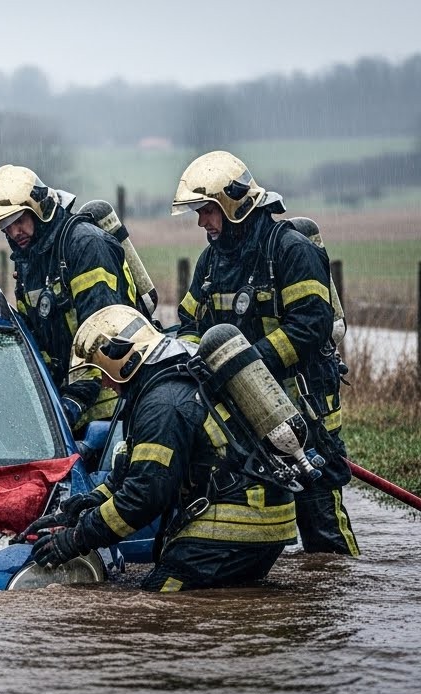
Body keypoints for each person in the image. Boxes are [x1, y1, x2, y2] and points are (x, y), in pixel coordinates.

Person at [24, 305, 298, 591]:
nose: (104, 382)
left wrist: (76, 540)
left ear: (124, 359)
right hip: (262, 519)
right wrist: (82, 505)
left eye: (103, 371)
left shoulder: (162, 404)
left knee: (159, 602)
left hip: (235, 526)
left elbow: (144, 496)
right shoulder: (169, 372)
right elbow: (135, 471)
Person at [170, 150, 358, 557]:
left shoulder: (290, 250)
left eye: (206, 210)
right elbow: (187, 322)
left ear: (233, 205)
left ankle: (339, 590)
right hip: (241, 414)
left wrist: (245, 364)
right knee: (248, 517)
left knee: (321, 524)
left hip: (302, 412)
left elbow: (310, 325)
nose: (202, 221)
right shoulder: (211, 261)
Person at [0, 164, 144, 431]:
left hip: (112, 407)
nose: (13, 232)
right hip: (65, 401)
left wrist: (74, 399)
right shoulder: (30, 260)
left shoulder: (85, 246)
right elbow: (38, 337)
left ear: (39, 208)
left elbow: (102, 331)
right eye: (5, 227)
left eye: (19, 220)